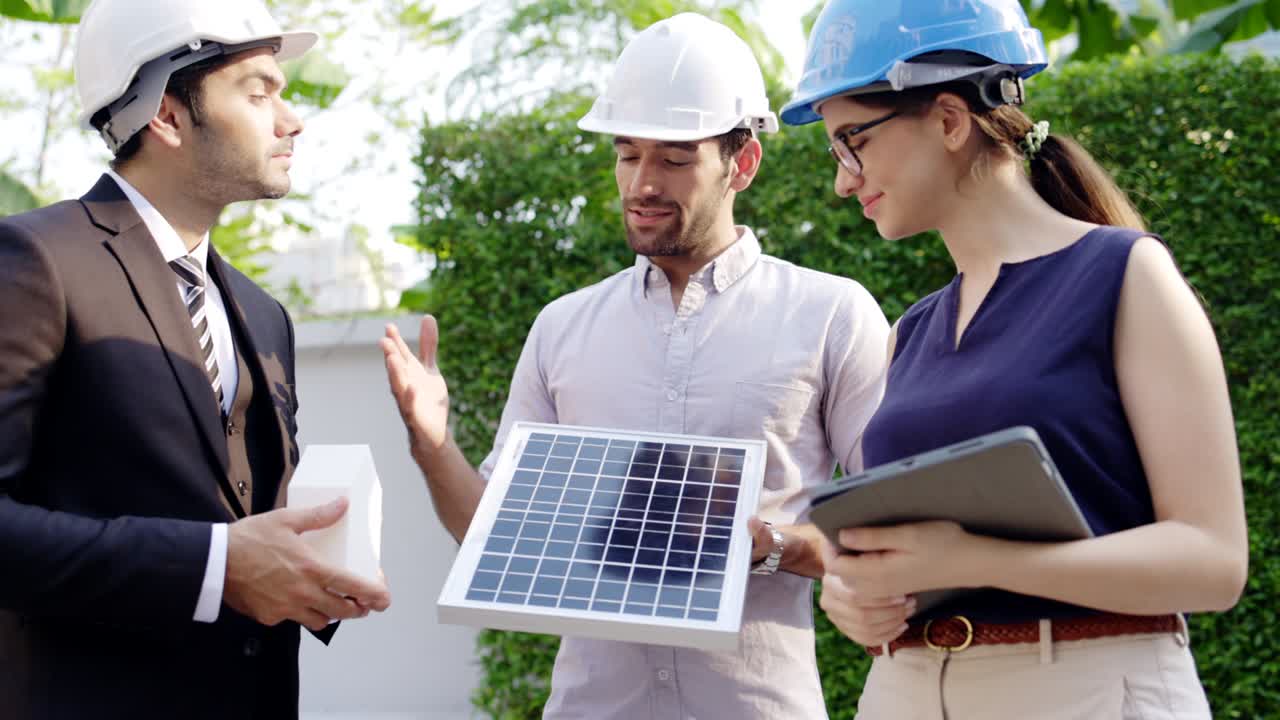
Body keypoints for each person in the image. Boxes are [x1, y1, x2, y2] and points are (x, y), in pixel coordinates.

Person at [382, 12, 889, 719]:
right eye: (628, 155)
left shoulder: (832, 314)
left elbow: (892, 533)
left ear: (741, 163)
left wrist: (770, 544)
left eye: (675, 159)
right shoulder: (563, 327)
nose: (643, 184)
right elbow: (489, 535)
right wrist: (432, 445)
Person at [779, 1, 1248, 717]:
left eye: (853, 141)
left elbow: (1214, 564)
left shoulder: (1127, 275)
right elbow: (893, 560)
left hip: (1086, 688)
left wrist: (978, 561)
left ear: (947, 119)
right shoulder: (911, 331)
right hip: (905, 692)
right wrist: (853, 597)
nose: (843, 180)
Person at [0, 0, 391, 717]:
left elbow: (251, 517)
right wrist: (214, 568)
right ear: (167, 116)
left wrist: (319, 564)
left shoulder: (263, 314)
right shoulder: (34, 261)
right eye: (259, 91)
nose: (292, 120)